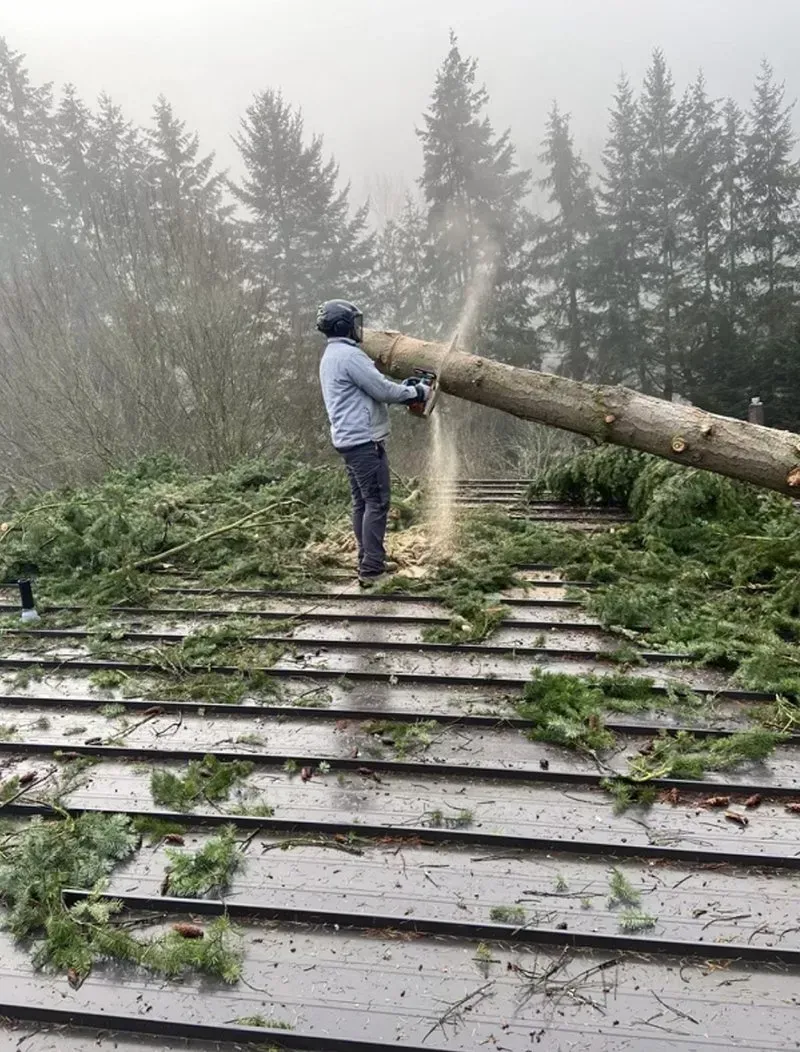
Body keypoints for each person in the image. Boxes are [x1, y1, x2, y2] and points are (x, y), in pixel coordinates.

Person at [317, 299, 430, 587]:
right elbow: (380, 389)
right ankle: (371, 570)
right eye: (355, 323)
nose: (359, 328)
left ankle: (369, 559)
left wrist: (402, 389)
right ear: (344, 325)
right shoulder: (349, 356)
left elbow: (369, 391)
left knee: (362, 503)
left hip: (348, 439)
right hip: (364, 441)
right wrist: (417, 391)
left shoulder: (333, 354)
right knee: (377, 503)